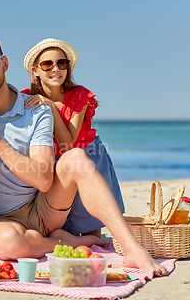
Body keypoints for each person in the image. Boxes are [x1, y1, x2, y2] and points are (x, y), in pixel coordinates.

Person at [0, 34, 166, 276]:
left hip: (41, 210)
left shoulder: (35, 109)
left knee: (75, 157)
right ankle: (72, 242)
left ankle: (132, 248)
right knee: (8, 243)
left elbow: (44, 180)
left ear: (4, 63)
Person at [21, 38, 124, 238]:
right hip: (54, 165)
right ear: (35, 70)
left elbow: (68, 145)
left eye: (61, 63)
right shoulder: (26, 97)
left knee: (91, 228)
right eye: (47, 64)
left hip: (87, 158)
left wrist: (50, 107)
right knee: (58, 228)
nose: (55, 69)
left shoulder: (79, 96)